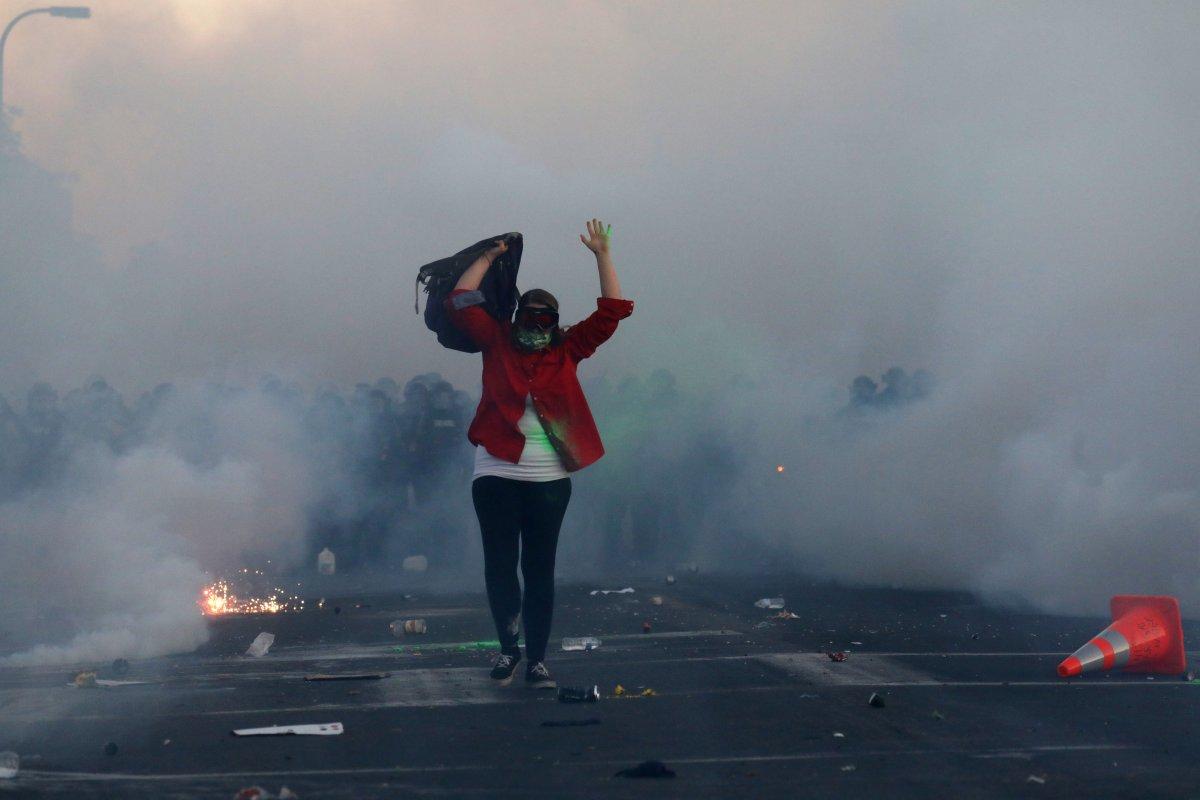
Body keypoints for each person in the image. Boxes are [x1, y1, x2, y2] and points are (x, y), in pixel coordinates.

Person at [442, 218, 633, 689]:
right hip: (495, 471)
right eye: (531, 315)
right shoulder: (497, 343)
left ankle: (538, 660)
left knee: (540, 568)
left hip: (549, 477)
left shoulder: (567, 352)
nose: (538, 325)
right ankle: (508, 652)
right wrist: (487, 258)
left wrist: (602, 256)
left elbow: (611, 312)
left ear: (556, 322)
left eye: (548, 318)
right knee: (500, 564)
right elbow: (462, 302)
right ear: (517, 315)